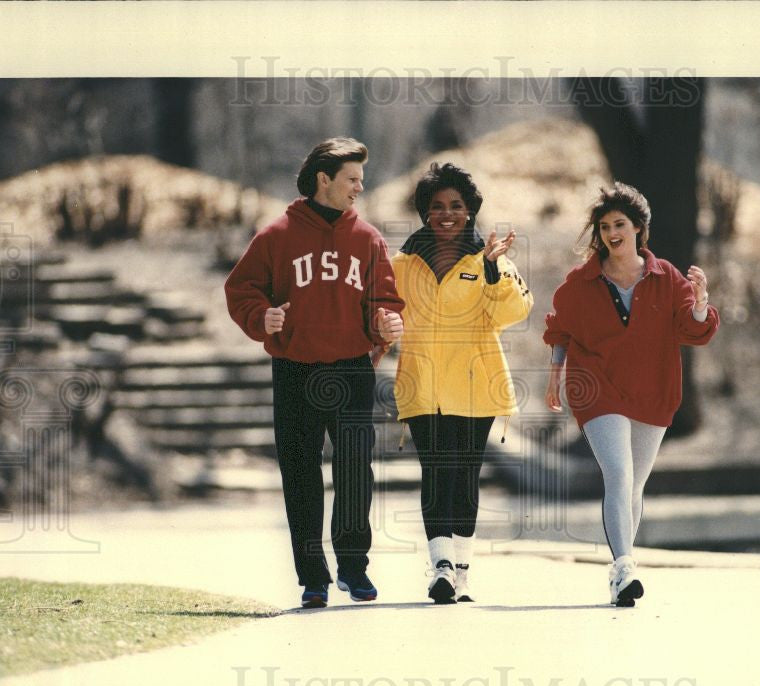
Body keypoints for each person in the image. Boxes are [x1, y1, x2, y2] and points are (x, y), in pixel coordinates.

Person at [224, 137, 404, 609]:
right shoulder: (276, 236)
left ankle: (352, 566)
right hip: (295, 369)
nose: (358, 188)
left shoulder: (367, 238)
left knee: (354, 472)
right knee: (300, 473)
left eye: (361, 180)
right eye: (351, 179)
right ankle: (313, 577)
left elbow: (384, 298)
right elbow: (240, 289)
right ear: (323, 179)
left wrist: (386, 321)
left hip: (350, 369)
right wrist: (261, 316)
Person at [543, 182, 718, 607]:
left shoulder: (667, 277)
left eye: (619, 224)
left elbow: (694, 332)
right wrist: (555, 375)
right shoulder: (581, 282)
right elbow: (560, 327)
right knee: (618, 475)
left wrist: (699, 303)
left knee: (635, 485)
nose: (610, 233)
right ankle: (623, 567)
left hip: (652, 390)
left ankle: (624, 565)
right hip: (597, 388)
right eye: (603, 227)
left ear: (639, 229)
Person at [391, 163, 533, 603]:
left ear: (470, 211)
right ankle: (441, 569)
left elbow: (514, 312)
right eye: (437, 207)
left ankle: (462, 570)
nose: (447, 214)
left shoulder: (492, 261)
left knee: (465, 473)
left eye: (456, 205)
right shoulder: (402, 263)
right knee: (435, 471)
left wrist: (492, 270)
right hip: (421, 383)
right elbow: (380, 310)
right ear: (424, 213)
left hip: (476, 383)